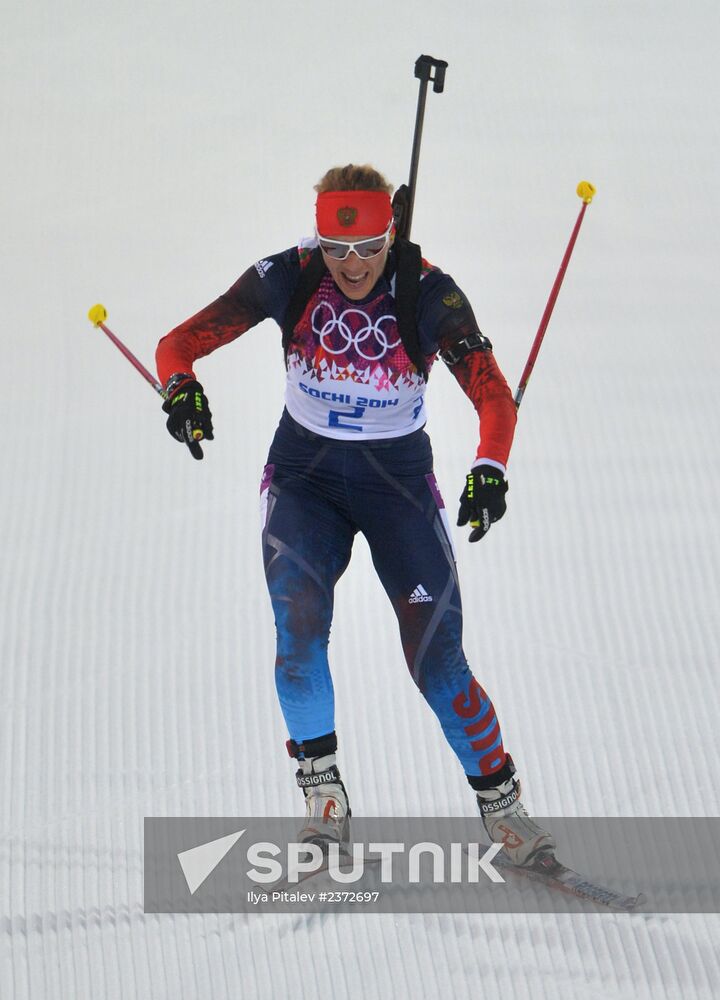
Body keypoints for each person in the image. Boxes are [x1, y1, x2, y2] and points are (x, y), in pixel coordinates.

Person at [156, 164, 554, 867]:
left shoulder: (429, 291)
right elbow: (177, 344)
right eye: (337, 250)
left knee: (437, 662)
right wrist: (180, 388)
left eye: (369, 247)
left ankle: (503, 806)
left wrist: (489, 468)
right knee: (298, 633)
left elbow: (493, 395)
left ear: (390, 229)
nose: (352, 265)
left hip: (395, 486)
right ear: (319, 238)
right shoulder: (292, 273)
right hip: (304, 480)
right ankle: (323, 795)